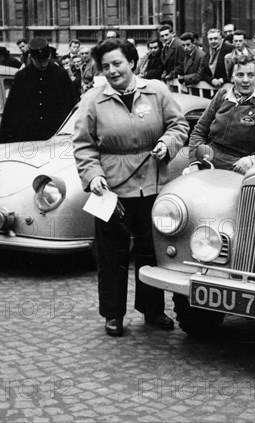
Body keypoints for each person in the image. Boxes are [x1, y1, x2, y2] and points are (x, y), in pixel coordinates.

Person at [72, 39, 189, 337]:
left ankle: (152, 310)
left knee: (152, 252)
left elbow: (179, 126)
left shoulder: (157, 91)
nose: (112, 71)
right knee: (112, 254)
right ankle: (113, 314)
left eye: (117, 63)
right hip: (112, 191)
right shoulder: (92, 100)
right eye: (106, 66)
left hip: (153, 186)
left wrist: (167, 143)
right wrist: (93, 175)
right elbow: (83, 146)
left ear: (132, 63)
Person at [188, 54, 255, 173]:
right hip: (206, 162)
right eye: (240, 75)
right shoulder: (222, 96)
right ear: (232, 78)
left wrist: (253, 159)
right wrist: (194, 162)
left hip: (237, 168)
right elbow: (199, 131)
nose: (245, 80)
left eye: (250, 75)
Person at [0, 37, 77, 144]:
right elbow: (11, 111)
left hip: (55, 138)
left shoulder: (60, 75)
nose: (43, 65)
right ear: (32, 58)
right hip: (28, 138)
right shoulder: (22, 77)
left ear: (49, 56)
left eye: (45, 61)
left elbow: (72, 105)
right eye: (39, 62)